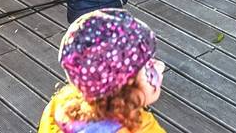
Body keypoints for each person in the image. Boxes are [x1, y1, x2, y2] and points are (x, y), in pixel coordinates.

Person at [39, 9, 167, 133]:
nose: (161, 66)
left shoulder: (59, 108)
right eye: (148, 68)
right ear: (123, 91)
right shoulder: (142, 129)